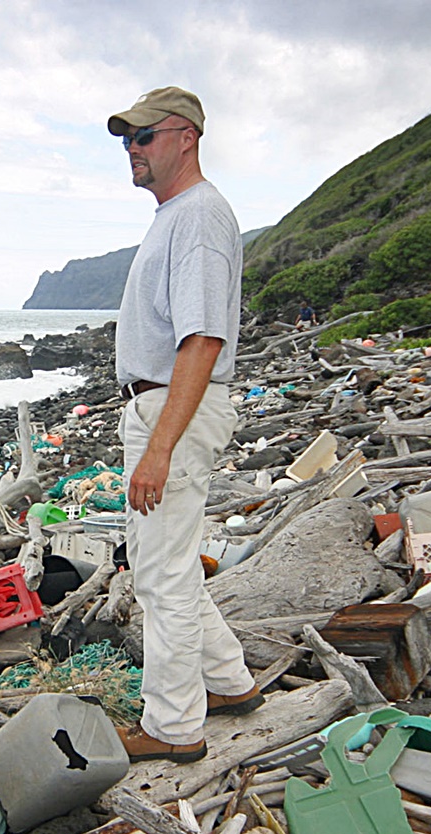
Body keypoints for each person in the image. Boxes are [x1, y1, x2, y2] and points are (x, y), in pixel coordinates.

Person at [107, 86, 263, 763]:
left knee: (162, 575)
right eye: (126, 141)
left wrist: (159, 447)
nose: (132, 151)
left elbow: (202, 340)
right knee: (163, 565)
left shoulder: (198, 216)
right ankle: (227, 682)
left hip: (174, 406)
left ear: (185, 137)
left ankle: (173, 727)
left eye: (143, 137)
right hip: (163, 404)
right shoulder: (179, 215)